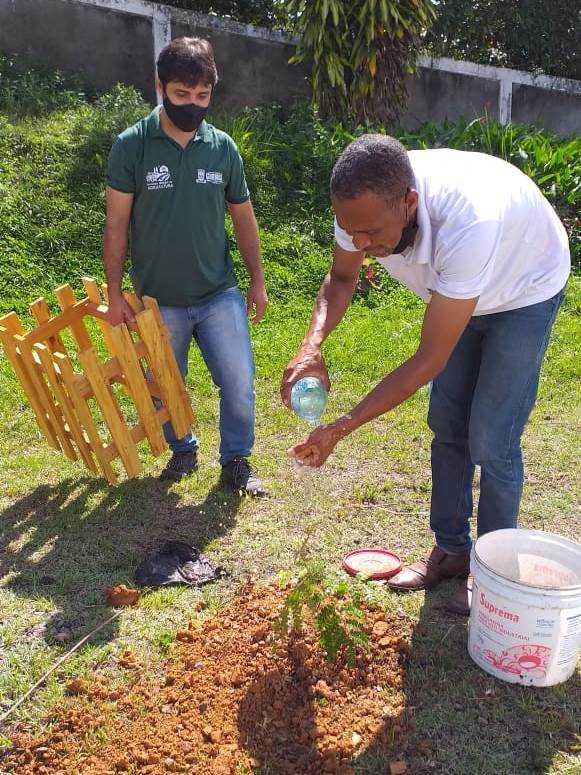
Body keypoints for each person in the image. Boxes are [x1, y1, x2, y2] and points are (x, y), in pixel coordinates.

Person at [281, 135, 570, 614]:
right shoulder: (361, 207)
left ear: (409, 203)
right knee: (447, 422)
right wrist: (311, 346)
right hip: (459, 288)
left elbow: (428, 360)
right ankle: (452, 551)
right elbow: (343, 277)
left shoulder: (468, 222)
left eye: (372, 234)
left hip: (524, 287)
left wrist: (343, 425)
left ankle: (492, 574)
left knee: (492, 437)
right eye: (352, 232)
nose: (361, 244)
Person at [104, 37, 267, 495]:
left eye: (202, 97)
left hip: (218, 293)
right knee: (166, 384)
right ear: (160, 86)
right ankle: (183, 449)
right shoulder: (131, 146)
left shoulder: (222, 148)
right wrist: (116, 293)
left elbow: (243, 216)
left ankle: (237, 460)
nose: (192, 106)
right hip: (158, 299)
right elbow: (116, 225)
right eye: (181, 95)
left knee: (238, 380)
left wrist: (257, 282)